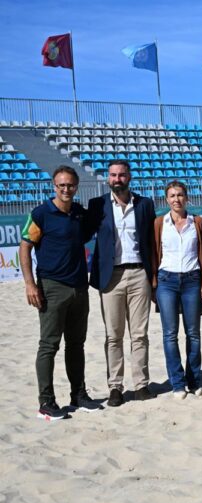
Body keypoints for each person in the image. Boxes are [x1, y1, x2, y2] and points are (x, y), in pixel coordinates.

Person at [20, 166, 101, 421]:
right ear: (54, 186)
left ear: (76, 186)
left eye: (70, 185)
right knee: (48, 345)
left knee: (76, 345)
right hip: (52, 288)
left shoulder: (79, 213)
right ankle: (46, 402)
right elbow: (24, 248)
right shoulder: (41, 214)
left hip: (79, 287)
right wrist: (30, 284)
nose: (66, 189)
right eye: (61, 185)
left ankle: (78, 394)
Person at [88, 160, 156, 407]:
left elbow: (152, 240)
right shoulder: (97, 205)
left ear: (129, 177)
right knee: (113, 335)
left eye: (122, 175)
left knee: (139, 334)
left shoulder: (145, 204)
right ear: (108, 178)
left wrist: (154, 277)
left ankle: (141, 385)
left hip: (140, 274)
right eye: (113, 175)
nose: (117, 179)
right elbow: (81, 233)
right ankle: (115, 387)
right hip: (111, 276)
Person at [152, 181, 202, 400]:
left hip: (192, 280)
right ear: (166, 199)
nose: (176, 199)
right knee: (170, 334)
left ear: (186, 198)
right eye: (172, 195)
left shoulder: (197, 222)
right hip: (166, 280)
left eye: (180, 195)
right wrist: (153, 285)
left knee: (193, 334)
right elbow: (154, 255)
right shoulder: (159, 223)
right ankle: (177, 383)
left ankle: (194, 380)